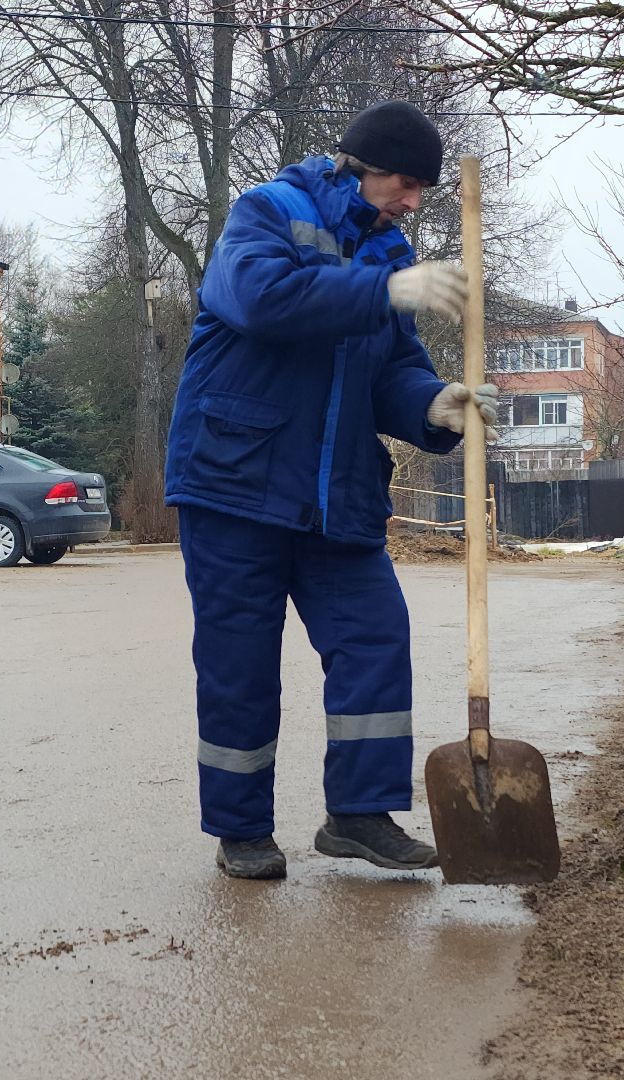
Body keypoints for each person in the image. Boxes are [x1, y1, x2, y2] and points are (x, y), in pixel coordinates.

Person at [165, 100, 498, 880]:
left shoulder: (391, 252)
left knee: (375, 641)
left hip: (337, 490)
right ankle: (241, 829)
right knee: (238, 665)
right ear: (360, 165)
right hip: (234, 483)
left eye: (422, 188)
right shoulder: (265, 212)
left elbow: (391, 367)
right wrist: (385, 292)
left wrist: (430, 403)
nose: (414, 200)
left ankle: (357, 815)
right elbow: (262, 302)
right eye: (406, 183)